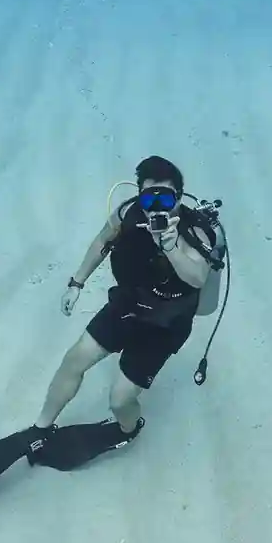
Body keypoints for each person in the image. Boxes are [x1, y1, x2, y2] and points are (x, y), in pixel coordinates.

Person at [33, 155, 216, 444]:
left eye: (166, 199)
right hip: (128, 304)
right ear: (139, 195)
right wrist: (76, 283)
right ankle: (40, 428)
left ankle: (127, 430)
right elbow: (102, 241)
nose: (157, 207)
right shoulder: (128, 214)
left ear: (179, 198)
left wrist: (171, 247)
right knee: (74, 360)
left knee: (120, 399)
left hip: (166, 324)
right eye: (149, 198)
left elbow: (198, 277)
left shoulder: (195, 230)